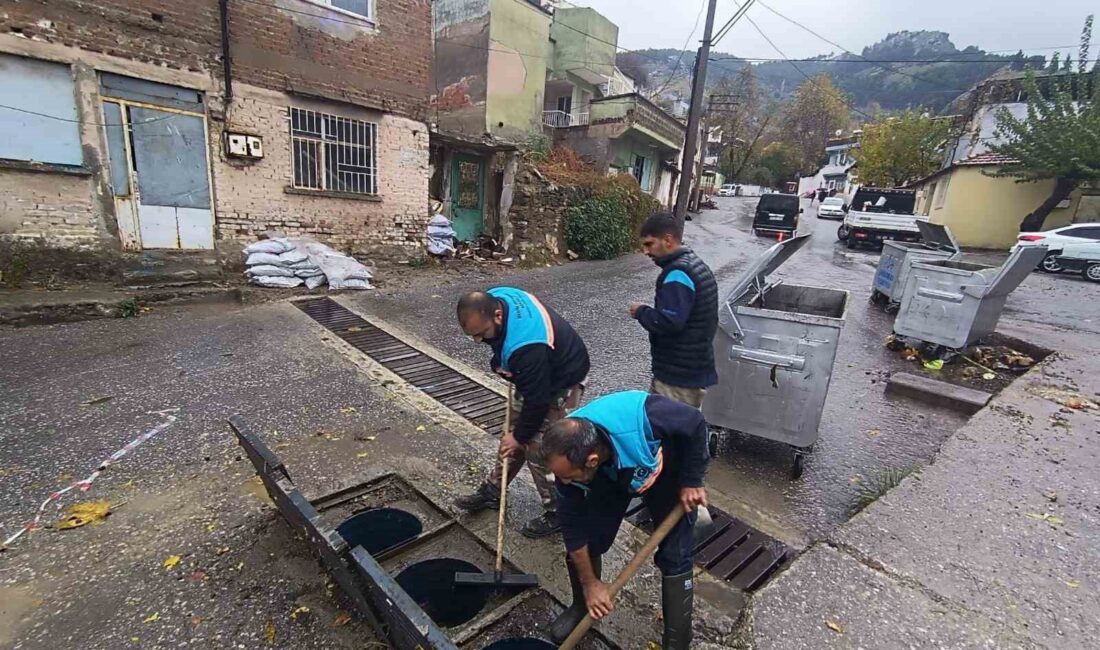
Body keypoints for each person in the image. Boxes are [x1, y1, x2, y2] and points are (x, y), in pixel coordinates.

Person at [540, 390, 710, 649]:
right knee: (590, 539)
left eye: (568, 477)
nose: (563, 483)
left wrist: (692, 480)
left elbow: (695, 424)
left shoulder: (647, 416)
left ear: (591, 461)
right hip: (614, 477)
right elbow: (573, 531)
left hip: (665, 469)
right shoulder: (568, 464)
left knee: (676, 555)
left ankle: (678, 642)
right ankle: (583, 607)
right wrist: (591, 585)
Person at [453, 287, 590, 538]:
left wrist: (520, 437)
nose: (477, 341)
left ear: (497, 315)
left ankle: (558, 511)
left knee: (542, 447)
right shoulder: (499, 296)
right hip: (534, 373)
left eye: (481, 334)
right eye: (472, 335)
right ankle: (495, 489)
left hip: (561, 378)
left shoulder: (527, 346)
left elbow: (537, 401)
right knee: (512, 434)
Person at [629, 212, 718, 408]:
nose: (645, 251)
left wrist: (641, 311)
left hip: (678, 377)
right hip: (692, 370)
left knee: (667, 431)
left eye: (649, 244)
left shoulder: (678, 274)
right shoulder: (694, 264)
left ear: (668, 240)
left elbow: (669, 322)